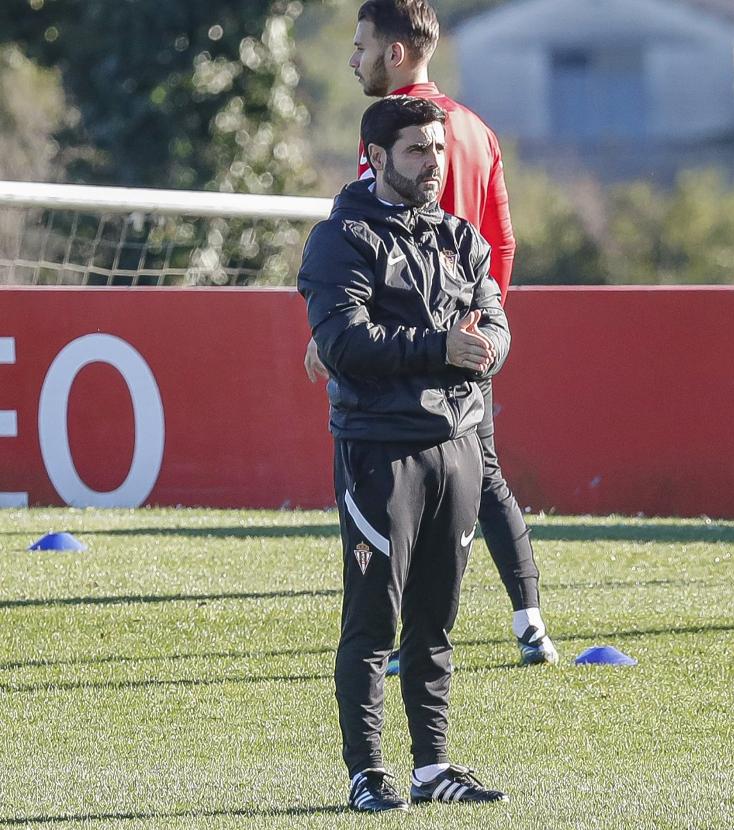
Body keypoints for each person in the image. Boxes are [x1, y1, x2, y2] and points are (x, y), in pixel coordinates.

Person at [306, 0, 557, 665]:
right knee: (489, 478)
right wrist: (484, 328)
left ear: (395, 52)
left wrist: (436, 336)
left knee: (406, 498)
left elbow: (380, 236)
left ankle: (400, 647)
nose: (353, 59)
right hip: (466, 345)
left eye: (360, 46)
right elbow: (501, 241)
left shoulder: (395, 136)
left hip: (416, 362)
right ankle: (530, 620)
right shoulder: (475, 128)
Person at [299, 95, 512, 812]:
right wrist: (442, 348)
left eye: (438, 150)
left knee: (436, 619)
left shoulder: (459, 236)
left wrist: (485, 352)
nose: (433, 164)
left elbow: (499, 323)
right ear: (378, 156)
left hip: (456, 447)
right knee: (372, 619)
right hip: (379, 453)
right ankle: (367, 773)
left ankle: (433, 768)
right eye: (418, 151)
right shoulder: (342, 239)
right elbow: (344, 344)